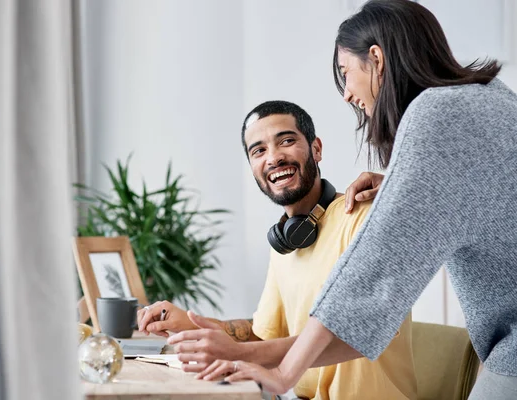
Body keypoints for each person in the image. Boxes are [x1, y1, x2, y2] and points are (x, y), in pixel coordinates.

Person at [196, 1, 517, 399]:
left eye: (346, 73)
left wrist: (283, 373)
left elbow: (374, 271)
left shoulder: (435, 112)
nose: (347, 94)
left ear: (377, 60)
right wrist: (404, 183)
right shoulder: (493, 96)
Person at [138, 100, 417, 399]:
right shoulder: (286, 242)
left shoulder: (360, 217)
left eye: (286, 141)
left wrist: (244, 354)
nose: (274, 158)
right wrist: (194, 327)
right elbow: (263, 334)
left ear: (316, 149)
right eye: (259, 150)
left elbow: (364, 334)